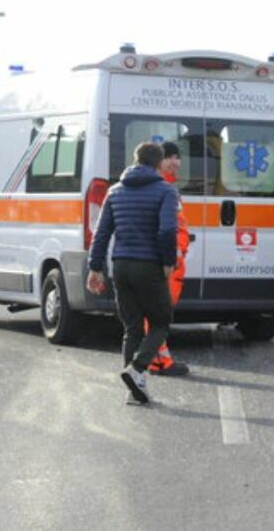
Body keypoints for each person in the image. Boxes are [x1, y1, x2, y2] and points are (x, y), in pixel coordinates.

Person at [86, 142, 178, 404]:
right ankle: (136, 369)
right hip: (149, 265)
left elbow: (101, 233)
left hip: (121, 266)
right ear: (159, 163)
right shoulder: (166, 191)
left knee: (132, 328)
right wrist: (168, 261)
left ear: (135, 159)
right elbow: (167, 230)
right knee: (160, 322)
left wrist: (95, 267)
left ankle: (135, 391)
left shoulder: (115, 191)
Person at [142, 141, 191, 376]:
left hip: (170, 262)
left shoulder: (168, 188)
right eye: (169, 157)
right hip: (165, 263)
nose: (175, 162)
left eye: (177, 157)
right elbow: (166, 229)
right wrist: (173, 255)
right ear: (157, 162)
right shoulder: (161, 189)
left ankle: (156, 359)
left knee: (158, 313)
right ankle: (159, 362)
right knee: (158, 314)